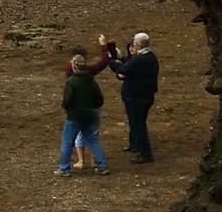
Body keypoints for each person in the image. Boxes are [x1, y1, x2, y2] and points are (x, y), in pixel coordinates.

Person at [66, 35, 118, 170]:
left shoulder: (70, 76)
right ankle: (96, 161)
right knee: (93, 137)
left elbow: (68, 99)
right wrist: (103, 46)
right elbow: (104, 62)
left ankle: (81, 160)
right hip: (91, 109)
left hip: (77, 111)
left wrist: (68, 108)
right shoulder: (90, 76)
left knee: (76, 136)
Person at [110, 32, 161, 162]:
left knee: (139, 125)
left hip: (139, 97)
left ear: (137, 45)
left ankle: (145, 153)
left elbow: (122, 69)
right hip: (143, 95)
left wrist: (111, 60)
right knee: (136, 123)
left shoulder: (140, 60)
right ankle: (136, 145)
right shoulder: (149, 58)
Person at [57, 54, 110, 176]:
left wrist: (68, 109)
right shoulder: (91, 80)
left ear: (74, 66)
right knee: (92, 141)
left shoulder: (72, 82)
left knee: (67, 142)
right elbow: (99, 100)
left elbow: (67, 101)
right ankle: (102, 165)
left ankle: (64, 168)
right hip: (90, 115)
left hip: (75, 117)